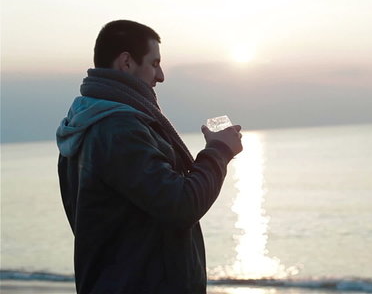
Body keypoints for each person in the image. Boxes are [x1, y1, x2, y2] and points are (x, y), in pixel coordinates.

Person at [56, 20, 243, 293]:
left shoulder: (86, 123)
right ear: (126, 62)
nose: (161, 75)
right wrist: (219, 151)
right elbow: (180, 205)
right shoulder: (118, 129)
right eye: (154, 63)